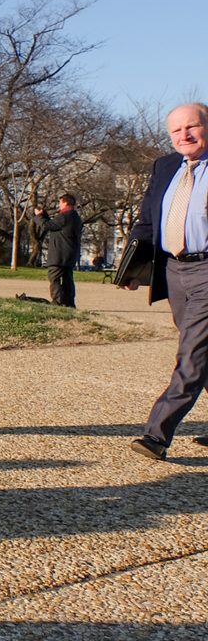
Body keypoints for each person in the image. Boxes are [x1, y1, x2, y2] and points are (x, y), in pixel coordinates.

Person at [125, 102, 208, 461]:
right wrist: (132, 268)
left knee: (192, 352)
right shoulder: (165, 166)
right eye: (176, 130)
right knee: (203, 352)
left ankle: (157, 434)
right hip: (174, 270)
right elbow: (146, 221)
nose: (184, 135)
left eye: (192, 127)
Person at [34, 193, 84, 307]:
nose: (59, 205)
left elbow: (47, 226)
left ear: (65, 202)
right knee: (67, 279)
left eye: (60, 202)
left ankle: (57, 301)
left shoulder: (64, 216)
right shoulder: (75, 217)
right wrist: (45, 215)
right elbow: (54, 225)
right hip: (70, 254)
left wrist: (38, 216)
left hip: (59, 254)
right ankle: (69, 303)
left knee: (54, 277)